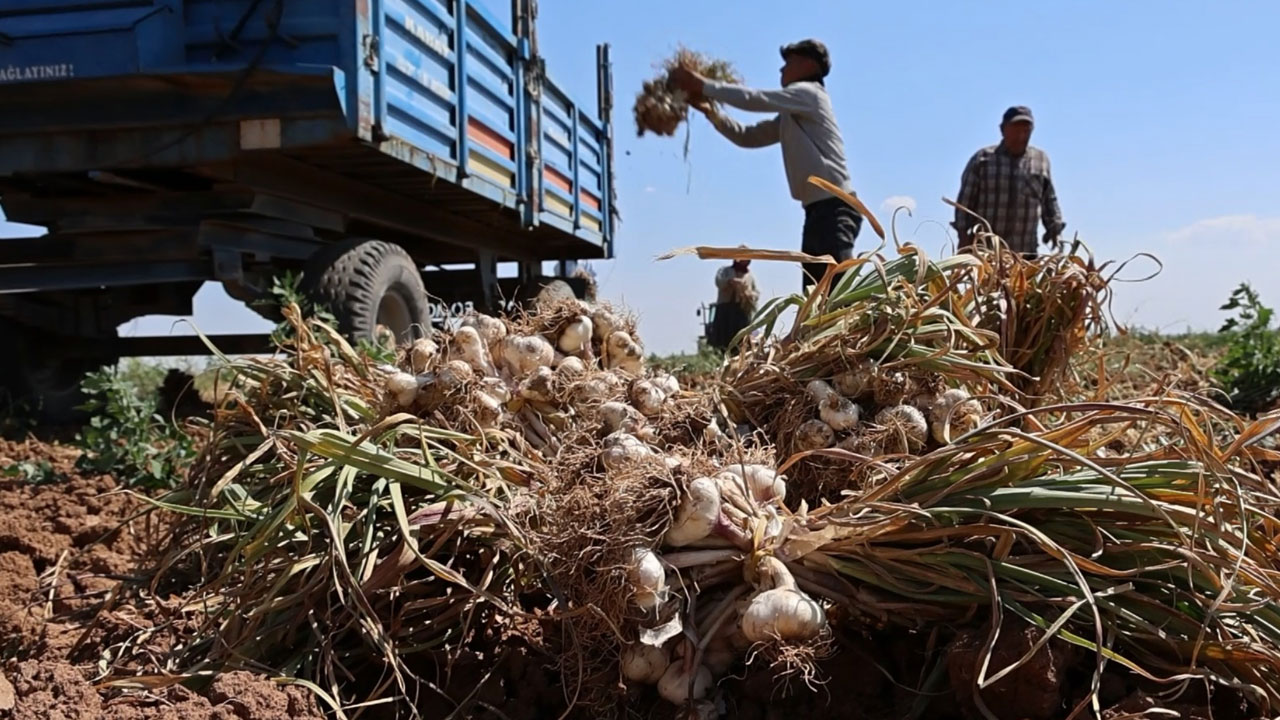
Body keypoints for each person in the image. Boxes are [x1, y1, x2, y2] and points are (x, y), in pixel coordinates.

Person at [668, 39, 861, 292]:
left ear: (808, 64)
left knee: (838, 294)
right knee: (816, 299)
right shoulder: (791, 114)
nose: (781, 70)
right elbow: (748, 136)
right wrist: (711, 112)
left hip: (834, 209)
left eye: (788, 63)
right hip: (816, 212)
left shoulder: (810, 94)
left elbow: (754, 99)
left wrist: (702, 85)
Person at [952, 106, 1066, 259]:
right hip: (987, 255)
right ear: (1002, 130)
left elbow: (1049, 201)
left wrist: (1055, 231)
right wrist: (963, 237)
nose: (1021, 136)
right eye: (1015, 130)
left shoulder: (1040, 161)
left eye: (1026, 131)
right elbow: (964, 205)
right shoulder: (983, 160)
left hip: (1025, 255)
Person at [708, 258, 759, 351]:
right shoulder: (725, 271)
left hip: (742, 311)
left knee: (742, 338)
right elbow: (719, 282)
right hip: (725, 310)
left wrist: (748, 293)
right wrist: (730, 281)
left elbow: (756, 293)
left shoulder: (749, 276)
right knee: (723, 338)